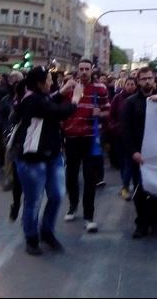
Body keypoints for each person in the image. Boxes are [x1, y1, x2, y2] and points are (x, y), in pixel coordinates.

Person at [13, 66, 78, 255]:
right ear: (40, 84)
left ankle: (47, 231)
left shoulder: (39, 97)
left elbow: (48, 101)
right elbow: (57, 111)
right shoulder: (31, 100)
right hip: (32, 159)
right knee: (33, 201)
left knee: (57, 195)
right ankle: (31, 238)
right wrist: (75, 99)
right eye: (49, 80)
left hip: (53, 156)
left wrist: (61, 91)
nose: (52, 82)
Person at [59, 59, 110, 233]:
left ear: (92, 70)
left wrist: (100, 113)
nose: (84, 72)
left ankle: (89, 216)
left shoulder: (100, 88)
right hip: (72, 137)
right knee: (71, 175)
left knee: (90, 179)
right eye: (81, 69)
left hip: (90, 139)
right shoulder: (70, 87)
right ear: (77, 70)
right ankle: (72, 205)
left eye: (87, 69)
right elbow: (60, 109)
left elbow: (107, 110)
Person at [124, 67, 157, 238]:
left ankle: (155, 223)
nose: (147, 81)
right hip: (139, 154)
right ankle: (141, 223)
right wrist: (133, 152)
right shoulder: (130, 103)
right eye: (143, 79)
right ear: (138, 81)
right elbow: (126, 130)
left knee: (156, 190)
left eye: (150, 78)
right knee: (140, 191)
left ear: (154, 80)